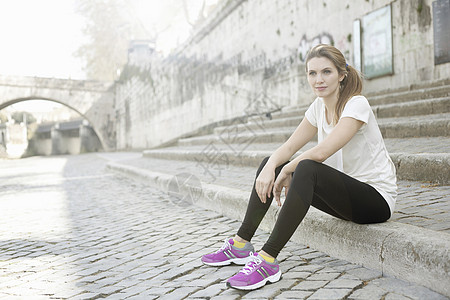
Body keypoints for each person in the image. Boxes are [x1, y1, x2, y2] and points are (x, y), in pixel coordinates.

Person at [201, 44, 397, 291]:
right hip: (344, 196)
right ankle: (241, 244)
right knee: (272, 164)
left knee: (305, 168)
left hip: (375, 200)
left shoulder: (356, 104)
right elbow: (289, 146)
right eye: (312, 73)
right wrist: (271, 166)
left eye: (326, 72)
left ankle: (267, 260)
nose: (318, 80)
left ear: (342, 74)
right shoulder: (318, 107)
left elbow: (323, 152)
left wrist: (286, 170)